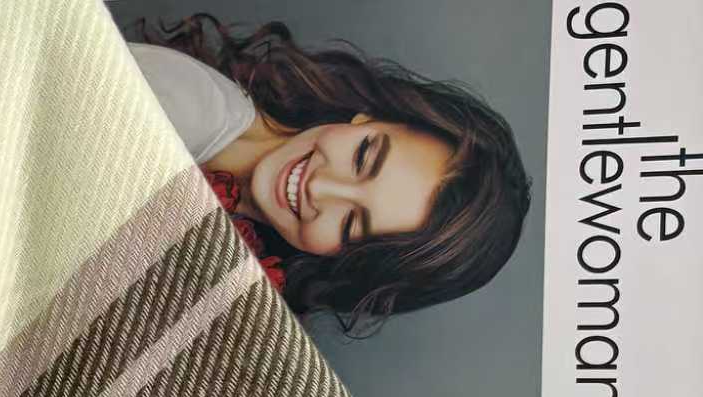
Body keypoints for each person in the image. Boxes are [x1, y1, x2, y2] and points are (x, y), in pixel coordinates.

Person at [127, 15, 531, 334]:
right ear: (366, 117)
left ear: (343, 264)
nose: (321, 187)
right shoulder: (186, 109)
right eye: (362, 158)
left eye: (350, 224)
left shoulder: (237, 280)